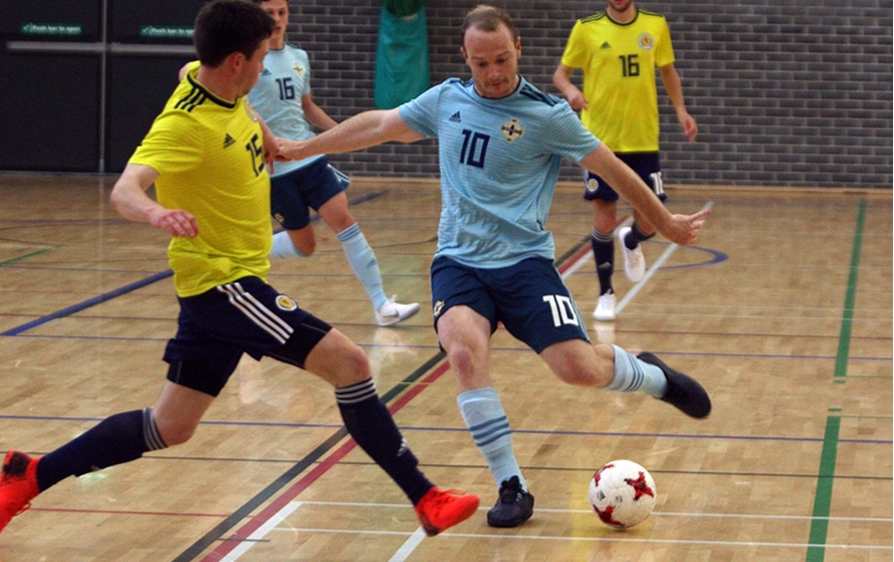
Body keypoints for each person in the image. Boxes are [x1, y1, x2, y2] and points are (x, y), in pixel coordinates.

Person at [0, 1, 478, 548]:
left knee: (170, 426)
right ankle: (424, 497)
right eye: (261, 59)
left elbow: (199, 80)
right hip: (224, 284)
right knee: (352, 363)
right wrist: (155, 212)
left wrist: (265, 135)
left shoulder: (215, 81)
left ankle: (29, 473)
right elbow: (125, 189)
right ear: (238, 61)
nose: (266, 69)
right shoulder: (183, 124)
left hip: (214, 290)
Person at [277, 4, 711, 529]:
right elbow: (381, 125)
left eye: (502, 59)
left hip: (525, 263)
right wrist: (304, 146)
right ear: (466, 58)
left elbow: (614, 169)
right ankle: (511, 484)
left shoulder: (548, 116)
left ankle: (653, 376)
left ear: (519, 49)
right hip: (459, 261)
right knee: (463, 352)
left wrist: (663, 222)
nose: (494, 72)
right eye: (481, 63)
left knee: (577, 369)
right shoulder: (447, 100)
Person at [248, 0, 420, 327]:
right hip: (275, 170)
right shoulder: (248, 62)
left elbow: (306, 105)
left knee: (344, 219)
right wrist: (266, 141)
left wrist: (338, 134)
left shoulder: (299, 57)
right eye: (269, 13)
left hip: (309, 157)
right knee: (305, 246)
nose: (277, 19)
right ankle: (250, 250)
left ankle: (382, 306)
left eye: (282, 12)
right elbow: (241, 109)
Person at [553, 0, 698, 321]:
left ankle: (631, 239)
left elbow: (668, 71)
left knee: (652, 219)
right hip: (599, 143)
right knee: (604, 217)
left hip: (642, 139)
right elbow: (560, 74)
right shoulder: (586, 28)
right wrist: (571, 92)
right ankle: (606, 292)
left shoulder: (655, 25)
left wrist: (681, 110)